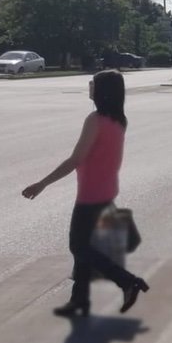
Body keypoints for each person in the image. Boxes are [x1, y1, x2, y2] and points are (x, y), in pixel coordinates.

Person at [22, 70, 149, 317]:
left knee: (79, 246)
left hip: (91, 195)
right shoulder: (119, 119)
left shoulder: (95, 119)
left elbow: (76, 159)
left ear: (103, 91)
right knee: (83, 248)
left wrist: (42, 184)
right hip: (106, 190)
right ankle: (79, 300)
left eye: (94, 83)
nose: (89, 86)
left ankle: (127, 281)